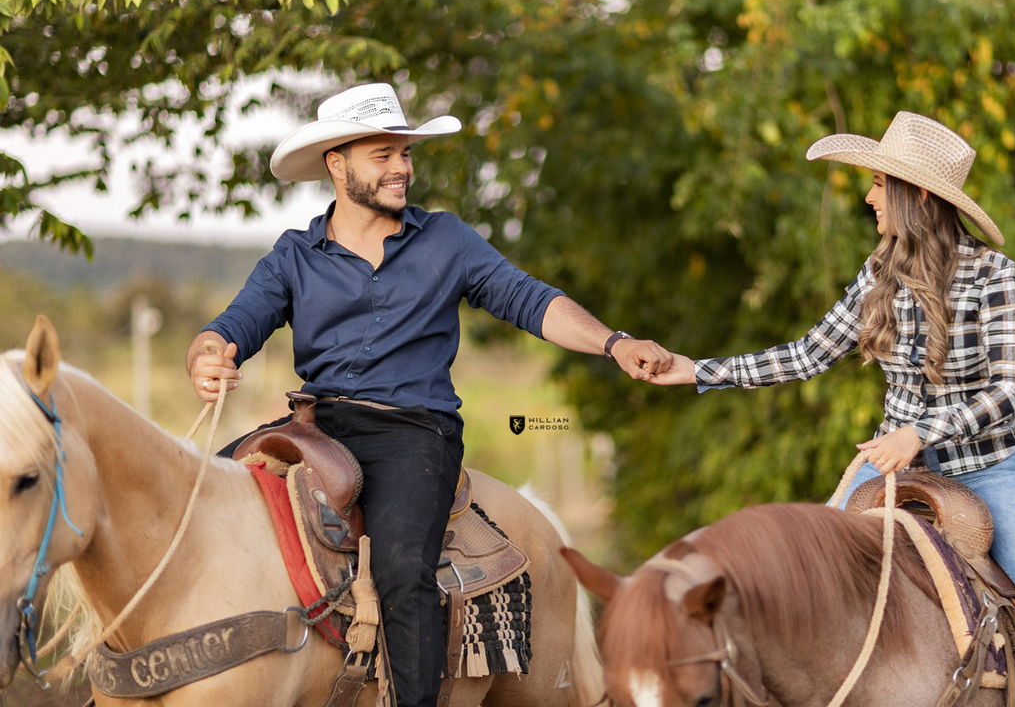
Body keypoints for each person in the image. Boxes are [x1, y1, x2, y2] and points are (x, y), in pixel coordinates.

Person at [185, 82, 671, 707]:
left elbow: (530, 299)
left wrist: (612, 342)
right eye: (383, 155)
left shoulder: (446, 240)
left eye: (405, 154)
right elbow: (230, 328)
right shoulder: (294, 256)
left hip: (414, 432)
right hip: (314, 427)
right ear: (338, 165)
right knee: (199, 507)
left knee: (401, 573)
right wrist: (207, 359)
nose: (402, 168)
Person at [645, 112, 1015, 707]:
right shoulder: (876, 275)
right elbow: (808, 355)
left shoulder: (995, 276)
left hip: (989, 473)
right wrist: (697, 370)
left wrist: (920, 432)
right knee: (802, 591)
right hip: (889, 470)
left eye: (878, 184)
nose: (869, 198)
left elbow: (1010, 392)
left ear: (916, 194)